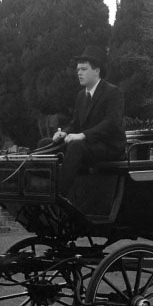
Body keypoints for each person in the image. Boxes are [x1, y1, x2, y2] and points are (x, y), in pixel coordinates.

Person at [52, 45, 125, 196]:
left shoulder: (112, 92)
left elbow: (111, 123)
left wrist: (83, 135)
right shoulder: (81, 96)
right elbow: (75, 124)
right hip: (89, 145)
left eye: (84, 69)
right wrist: (64, 133)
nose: (79, 73)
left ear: (97, 71)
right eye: (78, 69)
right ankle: (40, 185)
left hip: (109, 147)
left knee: (77, 146)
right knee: (47, 144)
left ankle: (59, 193)